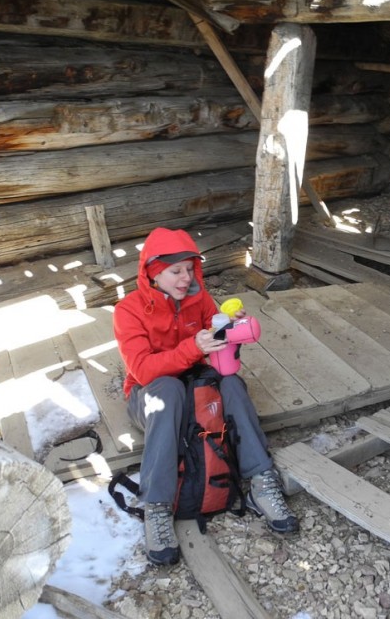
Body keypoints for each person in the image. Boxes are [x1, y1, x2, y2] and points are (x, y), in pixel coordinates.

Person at [113, 227, 298, 566]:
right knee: (168, 390)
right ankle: (156, 505)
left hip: (197, 384)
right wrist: (191, 348)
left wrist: (229, 331)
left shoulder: (199, 298)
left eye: (190, 268)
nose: (186, 278)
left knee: (232, 385)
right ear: (153, 271)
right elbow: (142, 370)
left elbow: (216, 356)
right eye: (176, 271)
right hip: (149, 395)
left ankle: (261, 480)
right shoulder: (129, 310)